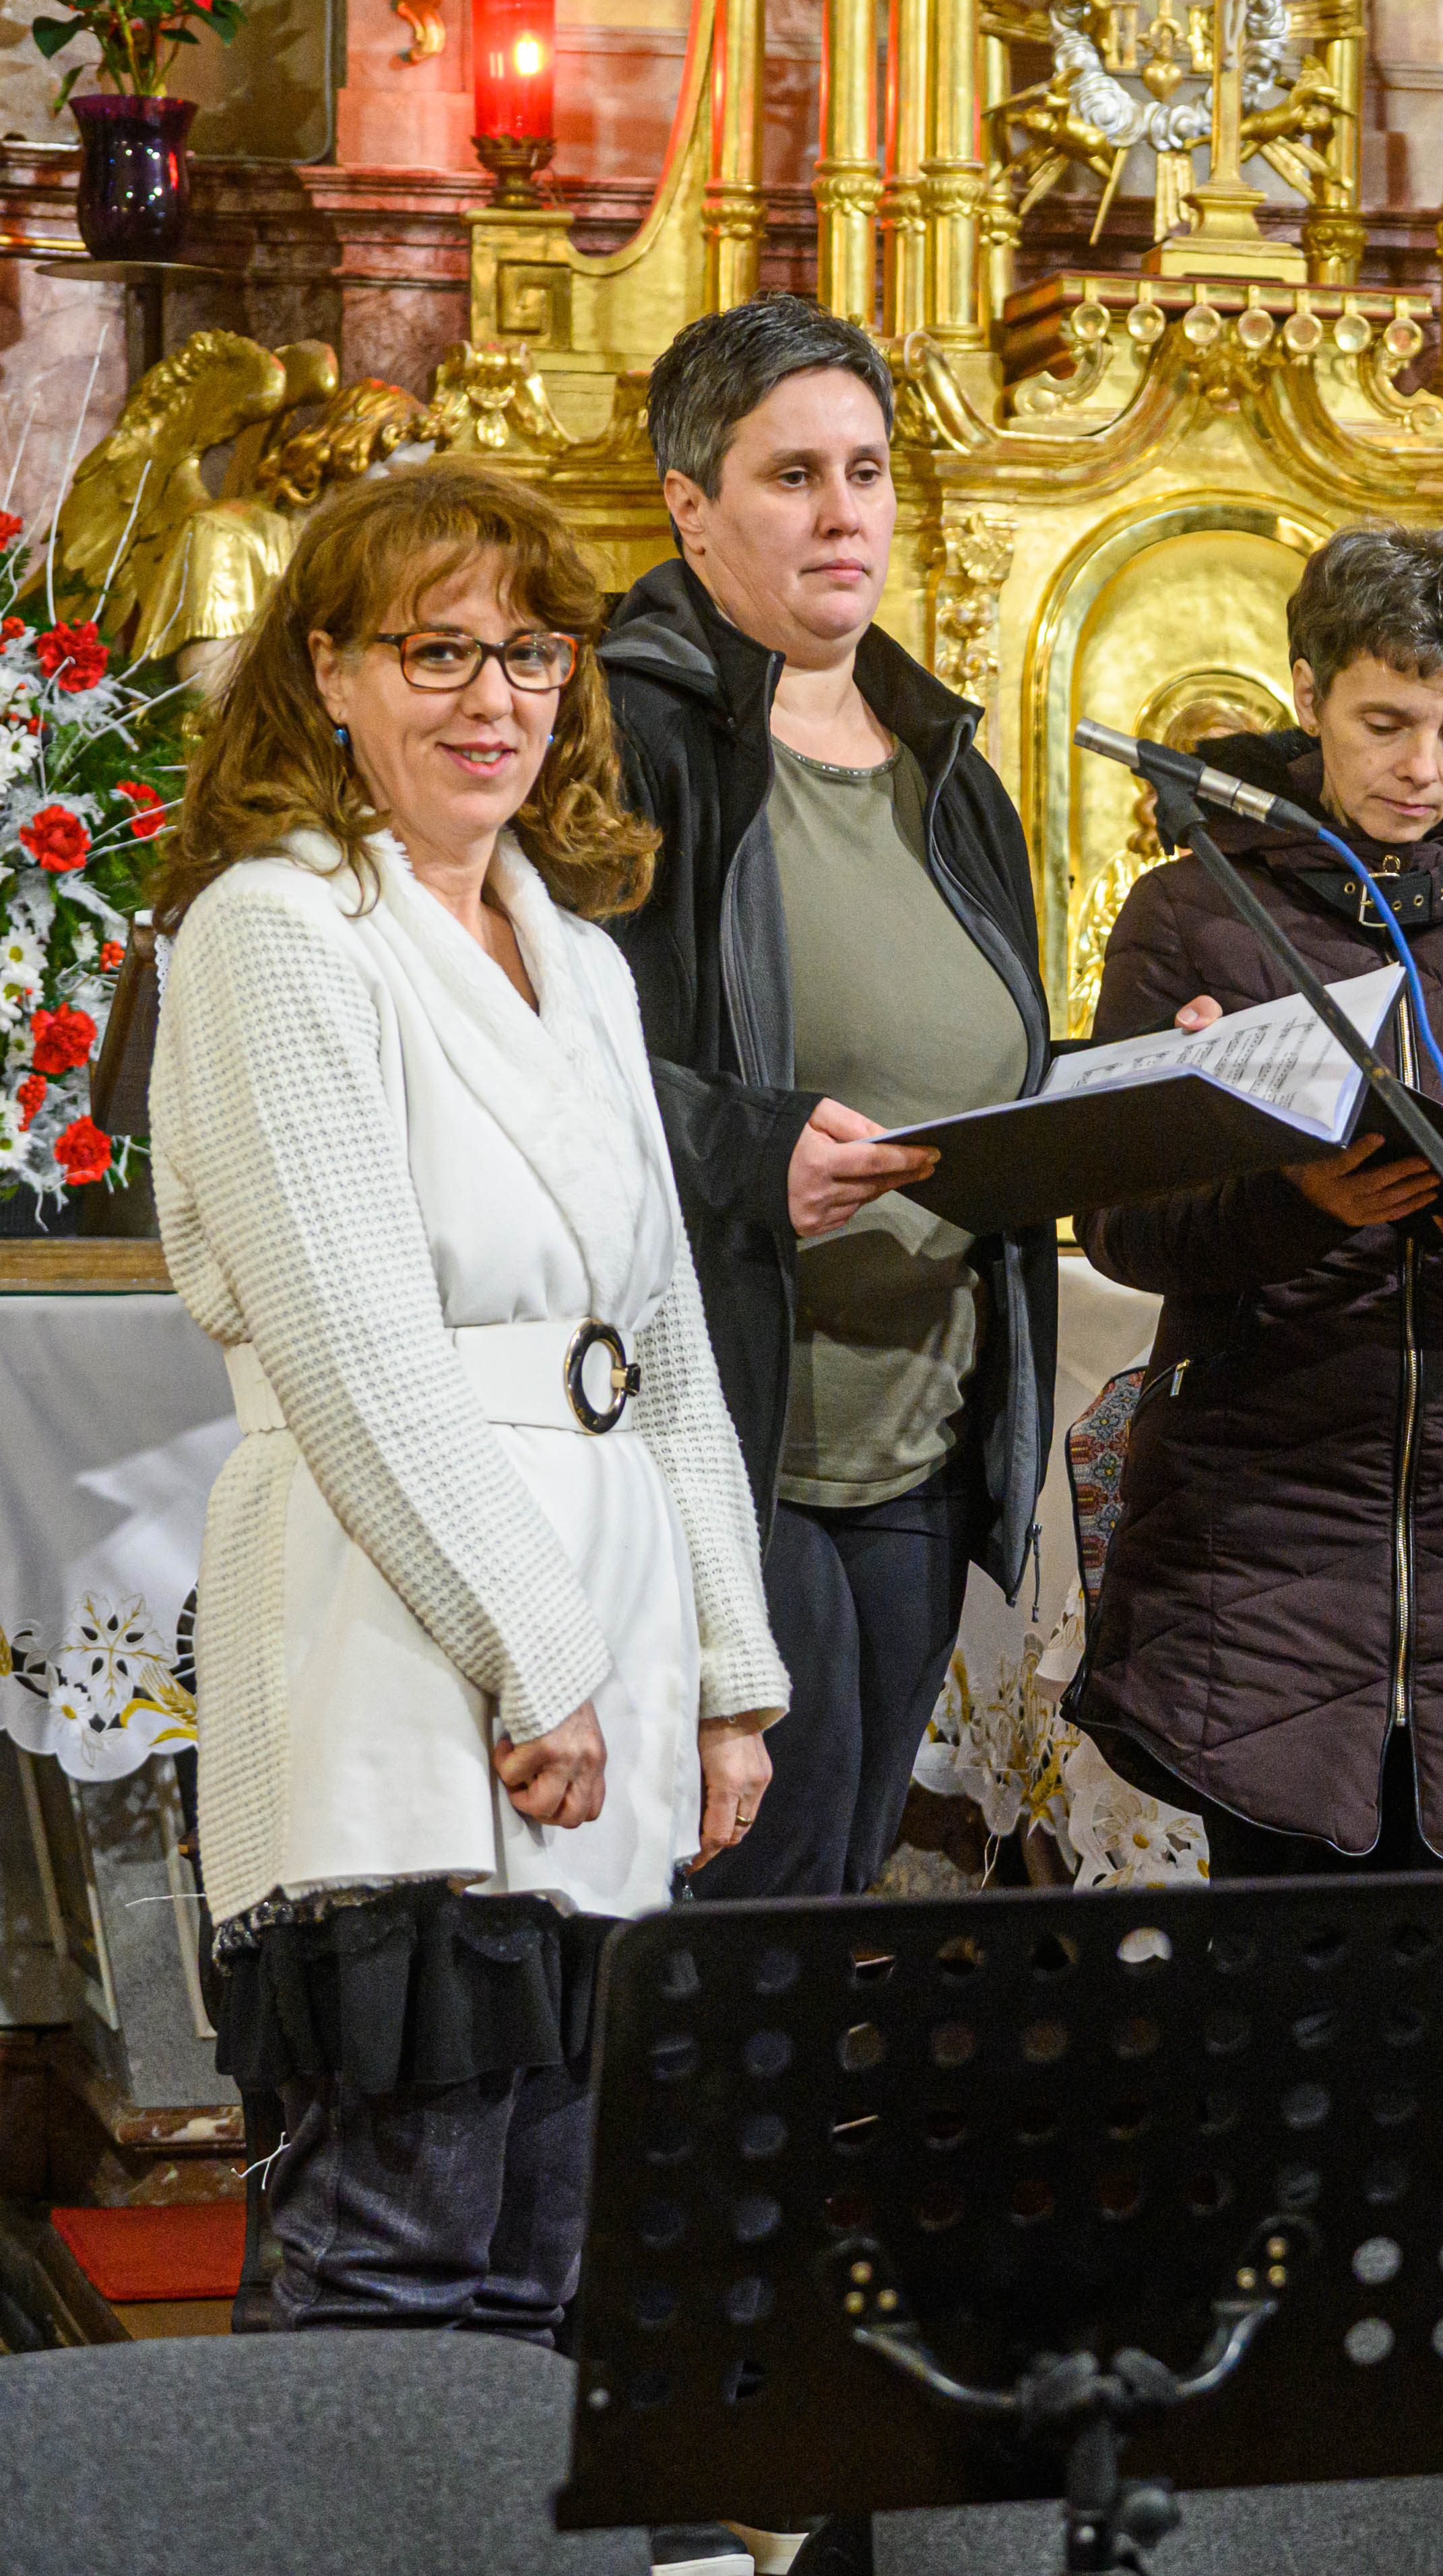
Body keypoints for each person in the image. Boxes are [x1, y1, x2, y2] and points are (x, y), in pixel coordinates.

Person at [149, 462, 783, 2338]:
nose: (492, 697)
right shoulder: (278, 932)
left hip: (598, 1625)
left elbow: (660, 1344)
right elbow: (354, 1348)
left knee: (544, 2263)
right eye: (436, 652)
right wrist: (535, 1653)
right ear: (328, 672)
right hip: (397, 1627)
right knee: (391, 2247)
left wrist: (726, 1670)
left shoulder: (574, 956)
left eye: (530, 652)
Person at [1067, 525, 1443, 1870]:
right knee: (1286, 1948)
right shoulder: (1190, 910)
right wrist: (1304, 1201)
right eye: (1384, 723)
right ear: (1306, 693)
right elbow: (1118, 1220)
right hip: (1260, 1514)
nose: (1424, 768)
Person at [600, 295, 1058, 1905]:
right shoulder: (629, 738)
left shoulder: (950, 764)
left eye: (865, 469)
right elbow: (543, 1060)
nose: (843, 511)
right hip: (734, 1425)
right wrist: (747, 1149)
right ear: (690, 502)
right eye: (792, 475)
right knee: (758, 1907)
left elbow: (992, 1053)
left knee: (846, 1877)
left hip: (918, 1428)